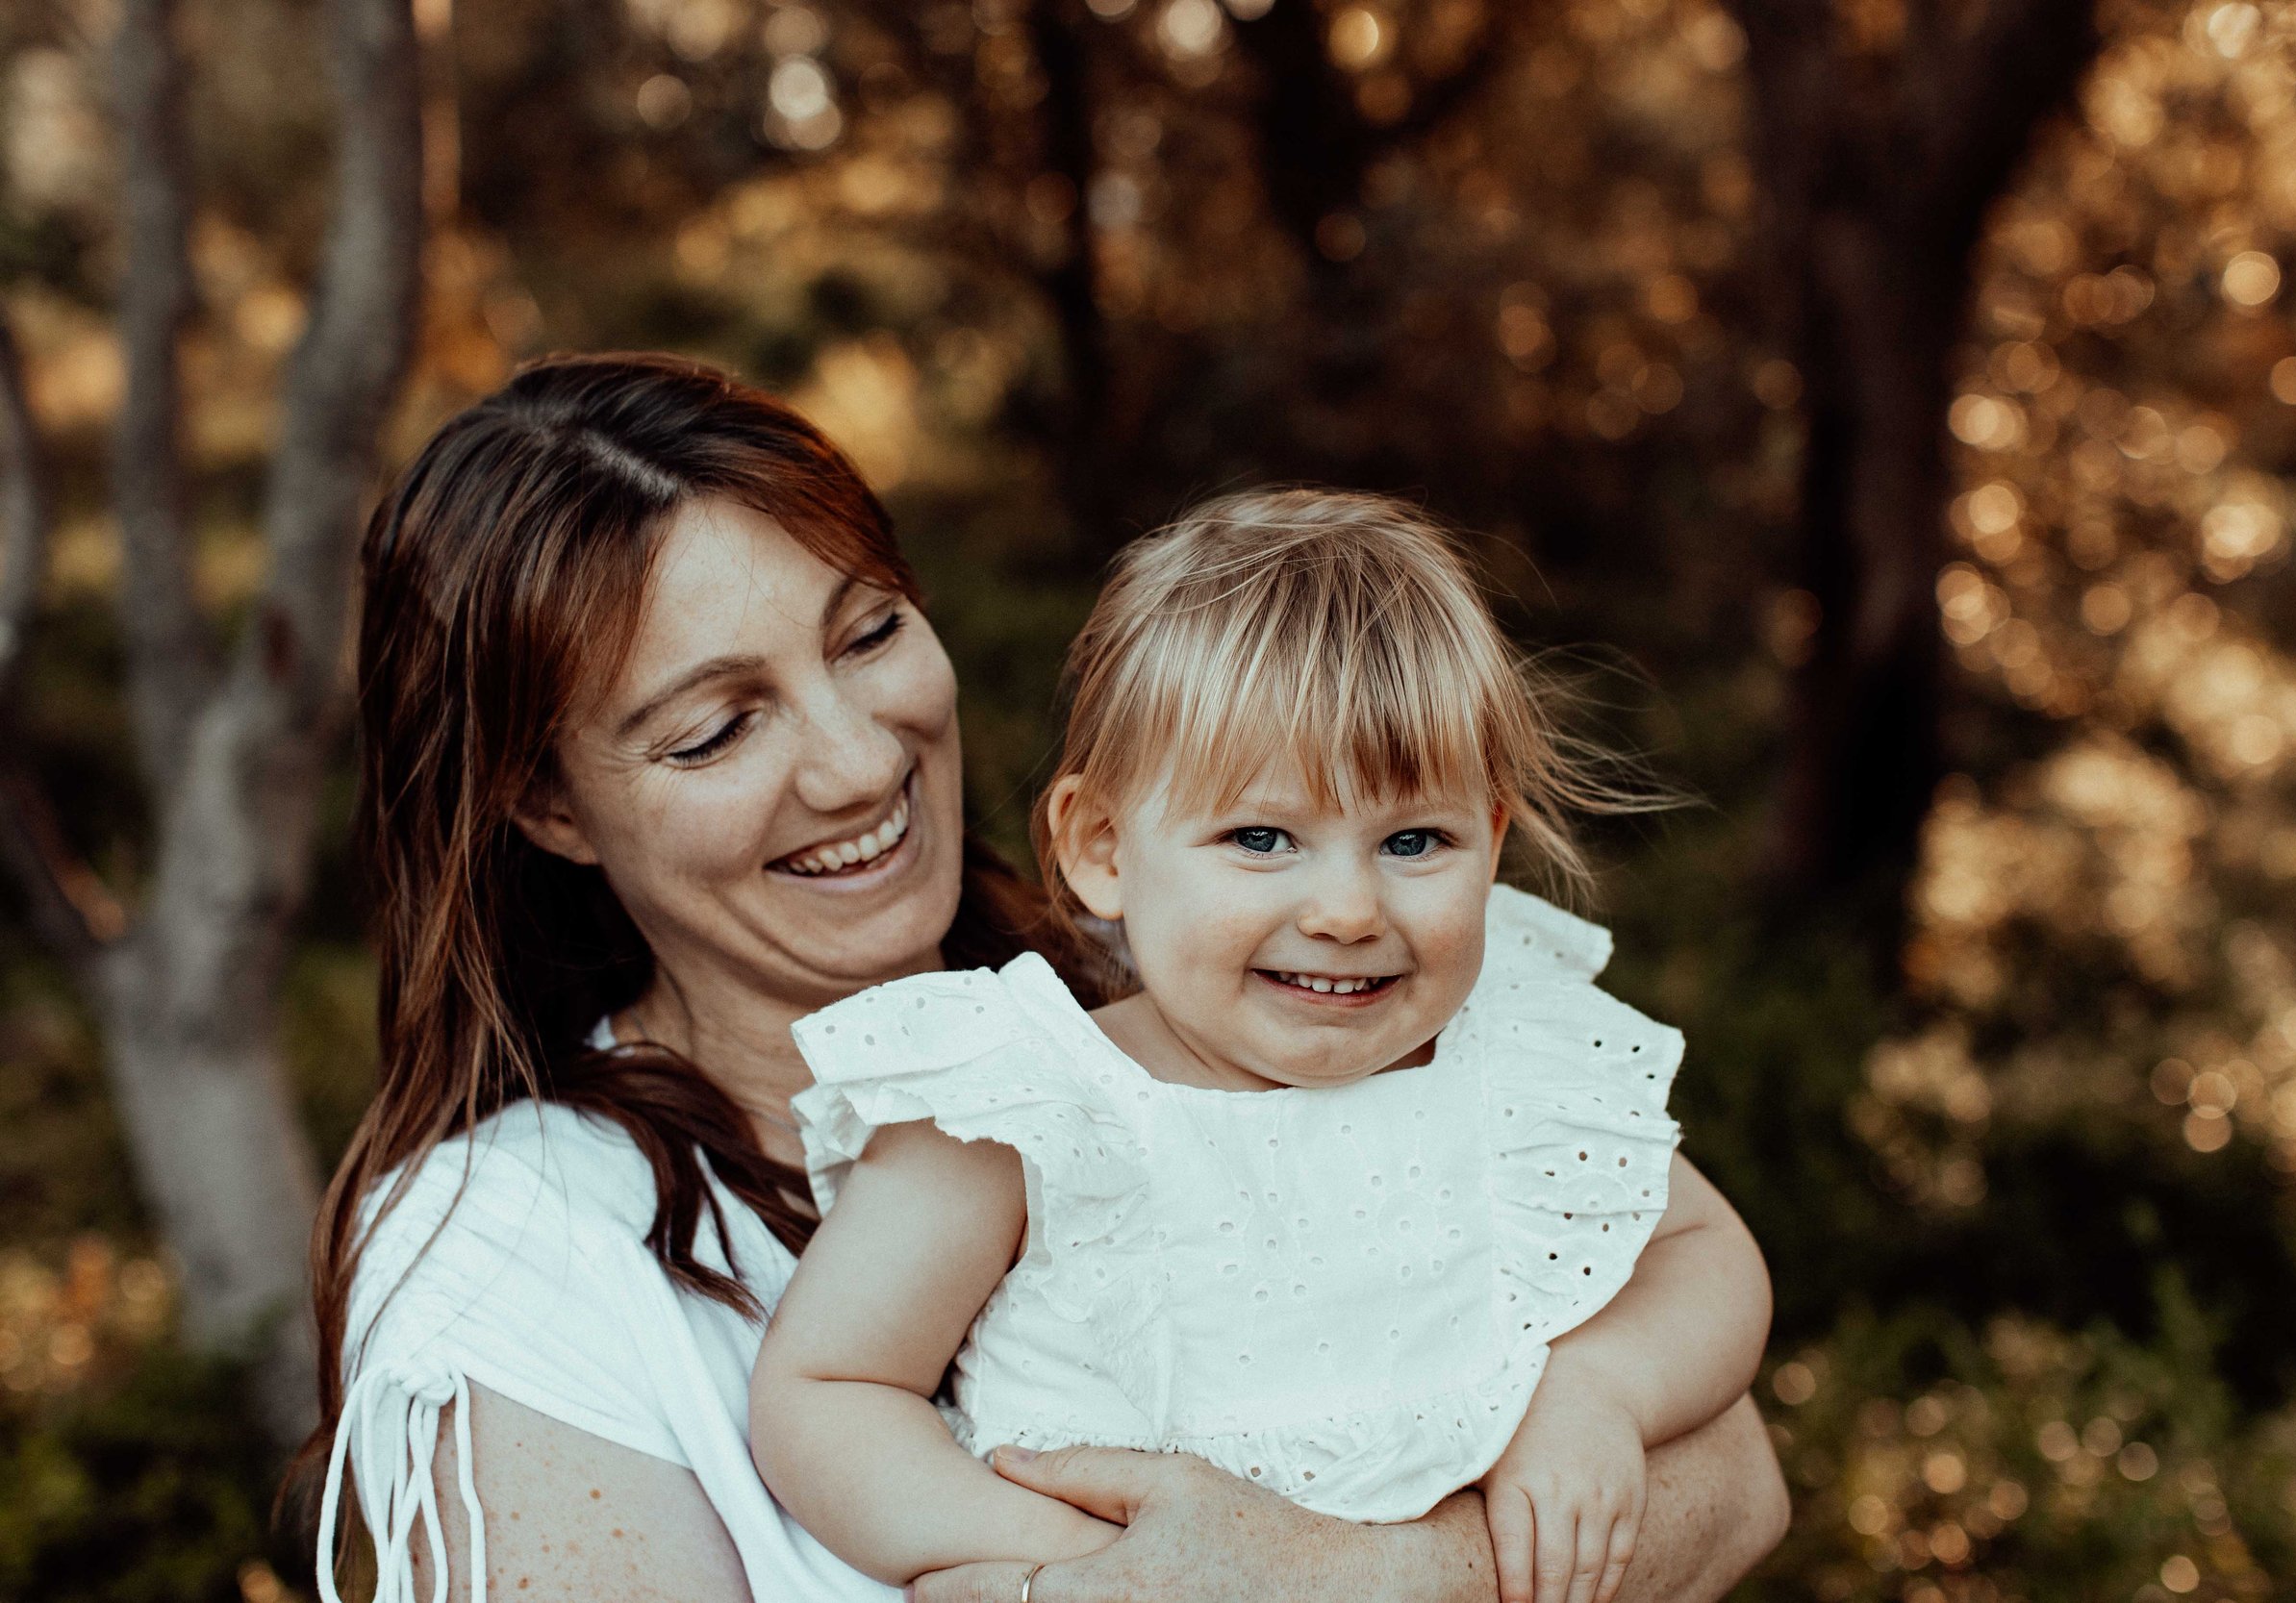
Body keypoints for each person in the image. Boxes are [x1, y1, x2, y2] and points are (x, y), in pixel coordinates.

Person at [302, 353, 1791, 1603]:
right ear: (548, 803)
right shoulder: (515, 1242)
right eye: (714, 729)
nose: (861, 755)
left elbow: (1732, 1479)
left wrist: (1346, 1575)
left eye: (869, 630)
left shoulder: (1215, 987)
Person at [751, 492, 1772, 1603]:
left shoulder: (1513, 1058)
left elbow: (1704, 1250)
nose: (1345, 906)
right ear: (1102, 847)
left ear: (1492, 839)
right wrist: (1069, 1567)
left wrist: (1601, 1390)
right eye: (1261, 837)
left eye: (1414, 839)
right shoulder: (1033, 1105)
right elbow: (829, 1387)